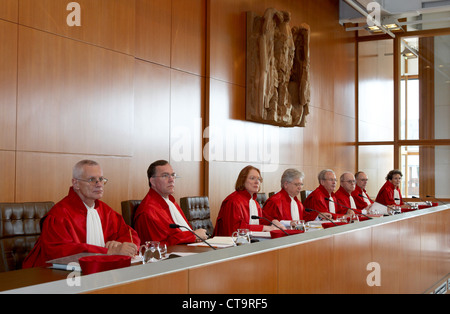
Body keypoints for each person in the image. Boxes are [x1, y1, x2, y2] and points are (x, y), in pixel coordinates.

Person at [23, 160, 140, 268]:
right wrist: (109, 251)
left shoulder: (106, 212)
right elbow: (61, 254)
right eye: (91, 180)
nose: (99, 184)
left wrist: (120, 245)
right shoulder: (58, 216)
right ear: (76, 183)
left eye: (101, 179)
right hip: (56, 277)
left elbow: (130, 235)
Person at [134, 160, 207, 246]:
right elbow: (157, 246)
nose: (171, 179)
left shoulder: (171, 202)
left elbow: (181, 232)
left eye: (173, 175)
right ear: (152, 181)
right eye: (165, 176)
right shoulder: (147, 212)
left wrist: (195, 237)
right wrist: (193, 236)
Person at [213, 166, 277, 236]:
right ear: (243, 181)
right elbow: (235, 229)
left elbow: (261, 220)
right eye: (252, 178)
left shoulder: (254, 202)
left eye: (258, 179)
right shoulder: (233, 201)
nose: (256, 182)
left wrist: (274, 222)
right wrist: (264, 228)